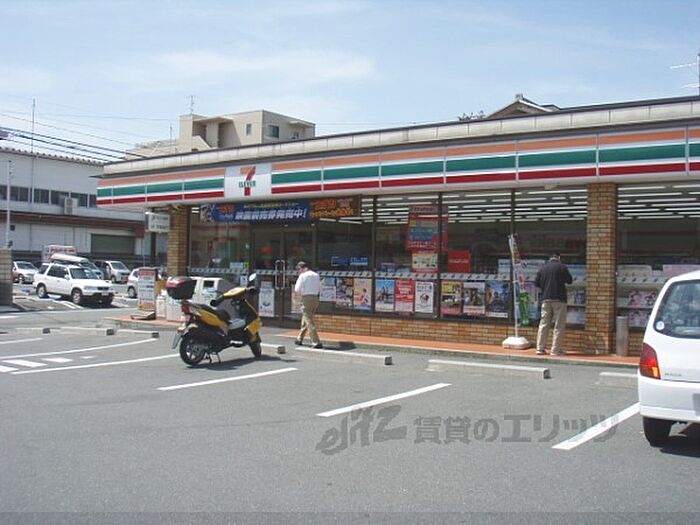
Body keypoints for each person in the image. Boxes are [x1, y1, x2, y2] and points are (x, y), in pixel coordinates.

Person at [534, 253, 573, 356]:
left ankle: (540, 349)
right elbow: (569, 280)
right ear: (559, 258)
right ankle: (555, 350)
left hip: (545, 299)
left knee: (543, 324)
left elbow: (536, 283)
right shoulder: (562, 267)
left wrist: (545, 287)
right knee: (559, 325)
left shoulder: (543, 268)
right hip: (559, 299)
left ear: (549, 258)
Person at [294, 261, 323, 348]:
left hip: (306, 298)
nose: (298, 271)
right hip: (315, 298)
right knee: (306, 317)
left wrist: (299, 295)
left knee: (309, 321)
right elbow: (320, 288)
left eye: (299, 269)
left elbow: (297, 289)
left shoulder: (303, 275)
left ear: (304, 268)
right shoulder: (316, 275)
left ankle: (316, 342)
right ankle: (299, 338)